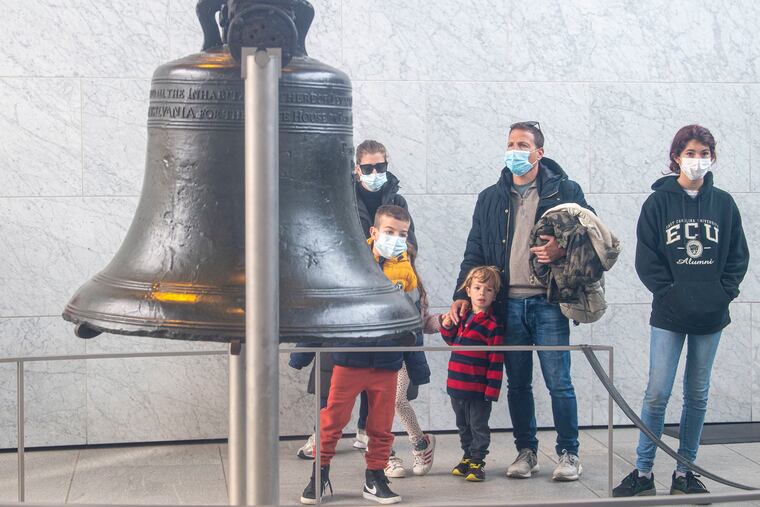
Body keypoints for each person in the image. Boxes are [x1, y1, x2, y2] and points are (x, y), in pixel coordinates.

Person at [448, 121, 593, 481]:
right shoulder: (491, 197)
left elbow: (593, 238)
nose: (515, 150)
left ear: (539, 152)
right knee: (518, 383)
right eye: (511, 143)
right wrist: (461, 295)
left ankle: (569, 453)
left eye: (523, 144)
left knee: (559, 380)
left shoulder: (566, 191)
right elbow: (475, 251)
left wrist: (563, 247)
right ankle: (526, 451)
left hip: (548, 301)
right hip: (506, 305)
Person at [613, 125, 749, 497]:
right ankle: (642, 473)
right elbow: (647, 259)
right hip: (669, 315)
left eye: (704, 153)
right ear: (676, 157)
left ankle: (685, 471)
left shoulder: (723, 203)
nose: (697, 160)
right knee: (657, 392)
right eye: (690, 153)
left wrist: (723, 294)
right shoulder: (657, 204)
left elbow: (738, 255)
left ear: (712, 157)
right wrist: (670, 293)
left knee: (697, 395)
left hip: (710, 315)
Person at [300, 205, 416, 505]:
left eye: (402, 234)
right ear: (374, 232)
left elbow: (412, 313)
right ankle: (320, 474)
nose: (395, 239)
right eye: (389, 232)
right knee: (333, 420)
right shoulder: (351, 262)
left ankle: (375, 477)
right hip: (350, 358)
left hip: (387, 361)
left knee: (380, 425)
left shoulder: (406, 270)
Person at [352, 140, 417, 455]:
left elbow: (411, 245)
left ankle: (368, 431)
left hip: (391, 294)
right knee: (336, 372)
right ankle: (321, 432)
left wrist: (402, 274)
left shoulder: (398, 199)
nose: (375, 172)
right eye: (368, 168)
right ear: (357, 169)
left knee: (381, 373)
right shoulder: (346, 199)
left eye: (381, 167)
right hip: (355, 292)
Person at [440, 266, 505, 482]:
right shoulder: (463, 317)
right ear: (468, 290)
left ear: (495, 295)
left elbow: (496, 362)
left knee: (478, 425)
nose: (482, 294)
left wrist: (491, 391)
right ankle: (467, 455)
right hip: (456, 386)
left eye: (488, 290)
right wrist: (446, 326)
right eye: (477, 288)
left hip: (478, 390)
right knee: (462, 424)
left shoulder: (492, 326)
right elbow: (452, 341)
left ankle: (478, 460)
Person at [385, 245, 439, 478]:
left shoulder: (416, 288)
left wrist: (442, 322)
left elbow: (423, 323)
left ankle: (420, 443)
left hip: (404, 353)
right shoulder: (376, 280)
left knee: (397, 400)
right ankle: (386, 454)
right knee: (373, 403)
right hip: (375, 352)